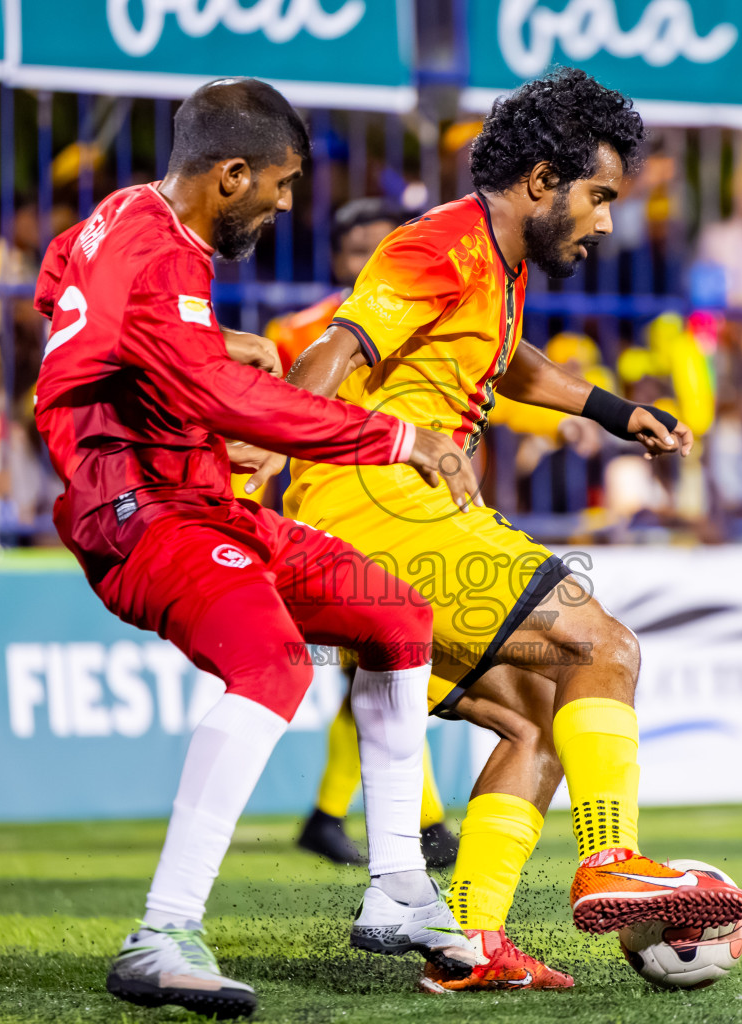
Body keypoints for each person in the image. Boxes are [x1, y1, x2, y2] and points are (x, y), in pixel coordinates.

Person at [265, 69, 742, 992]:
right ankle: (611, 861)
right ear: (541, 180)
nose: (605, 221)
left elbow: (508, 360)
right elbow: (337, 347)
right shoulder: (439, 242)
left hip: (396, 525)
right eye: (599, 196)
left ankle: (474, 941)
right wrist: (263, 448)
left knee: (538, 720)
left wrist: (614, 411)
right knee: (603, 648)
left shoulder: (495, 262)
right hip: (383, 514)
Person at [31, 78, 484, 1019]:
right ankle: (163, 933)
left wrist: (205, 342)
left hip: (197, 495)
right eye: (280, 186)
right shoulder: (162, 251)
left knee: (397, 618)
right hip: (138, 510)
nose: (283, 206)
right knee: (274, 663)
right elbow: (222, 400)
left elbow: (57, 284)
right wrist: (398, 436)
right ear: (231, 175)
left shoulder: (123, 216)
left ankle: (399, 886)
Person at [268, 197, 460, 870]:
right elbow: (269, 418)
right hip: (337, 517)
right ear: (336, 258)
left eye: (378, 250)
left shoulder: (427, 324)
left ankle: (331, 816)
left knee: (385, 668)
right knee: (392, 663)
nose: (366, 263)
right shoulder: (297, 332)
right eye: (356, 251)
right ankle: (426, 826)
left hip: (411, 511)